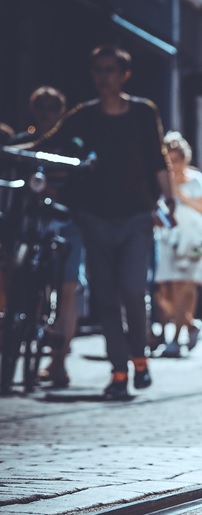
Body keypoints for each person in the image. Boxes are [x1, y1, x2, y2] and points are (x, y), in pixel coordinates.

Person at [29, 45, 174, 400]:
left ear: (125, 75)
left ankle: (140, 357)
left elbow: (157, 158)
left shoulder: (143, 112)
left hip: (136, 218)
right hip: (94, 220)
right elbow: (47, 143)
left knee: (132, 291)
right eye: (97, 70)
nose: (102, 77)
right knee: (106, 300)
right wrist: (20, 151)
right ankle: (119, 371)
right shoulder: (84, 116)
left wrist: (169, 201)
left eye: (110, 70)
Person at [10, 87, 85, 388]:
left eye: (52, 108)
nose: (45, 113)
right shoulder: (21, 144)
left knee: (68, 289)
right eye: (40, 107)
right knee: (19, 277)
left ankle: (59, 362)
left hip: (66, 221)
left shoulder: (73, 144)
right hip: (31, 222)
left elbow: (83, 177)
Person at [153, 132, 202, 358]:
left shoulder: (195, 178)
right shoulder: (160, 180)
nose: (173, 164)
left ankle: (176, 337)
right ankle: (189, 325)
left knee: (186, 285)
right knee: (165, 289)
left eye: (176, 159)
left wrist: (177, 192)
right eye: (168, 159)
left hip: (195, 238)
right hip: (169, 237)